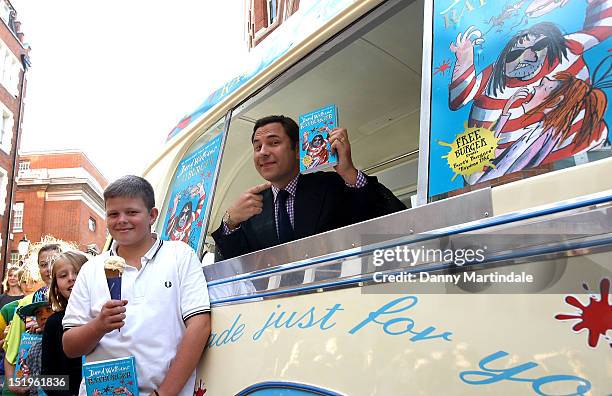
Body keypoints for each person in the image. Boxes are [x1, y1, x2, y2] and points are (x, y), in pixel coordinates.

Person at [62, 175, 211, 396]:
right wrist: (99, 325)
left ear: (152, 215)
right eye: (113, 214)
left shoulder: (179, 255)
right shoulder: (91, 269)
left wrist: (164, 393)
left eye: (131, 212)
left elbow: (200, 326)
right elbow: (70, 347)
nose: (121, 220)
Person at [212, 115, 406, 259]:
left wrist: (349, 172)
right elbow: (237, 266)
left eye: (274, 142)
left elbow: (391, 218)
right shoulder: (251, 206)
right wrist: (230, 222)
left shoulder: (331, 185)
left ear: (298, 150)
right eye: (257, 147)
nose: (263, 152)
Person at [449, 0, 610, 152]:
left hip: (591, 150)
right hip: (510, 173)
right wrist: (465, 60)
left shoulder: (567, 48)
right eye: (516, 53)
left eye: (539, 46)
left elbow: (604, 25)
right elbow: (458, 99)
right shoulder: (494, 77)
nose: (529, 56)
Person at [4, 244, 62, 395]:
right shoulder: (26, 304)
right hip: (36, 385)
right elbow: (11, 351)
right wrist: (11, 384)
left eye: (54, 262)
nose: (49, 269)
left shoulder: (77, 300)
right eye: (43, 265)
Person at [42, 251, 88, 396]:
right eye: (63, 275)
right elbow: (48, 378)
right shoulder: (54, 323)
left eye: (78, 272)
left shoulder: (109, 315)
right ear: (56, 286)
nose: (71, 278)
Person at [14, 286, 54, 396]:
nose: (43, 316)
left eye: (49, 309)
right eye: (38, 312)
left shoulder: (73, 345)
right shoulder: (34, 350)